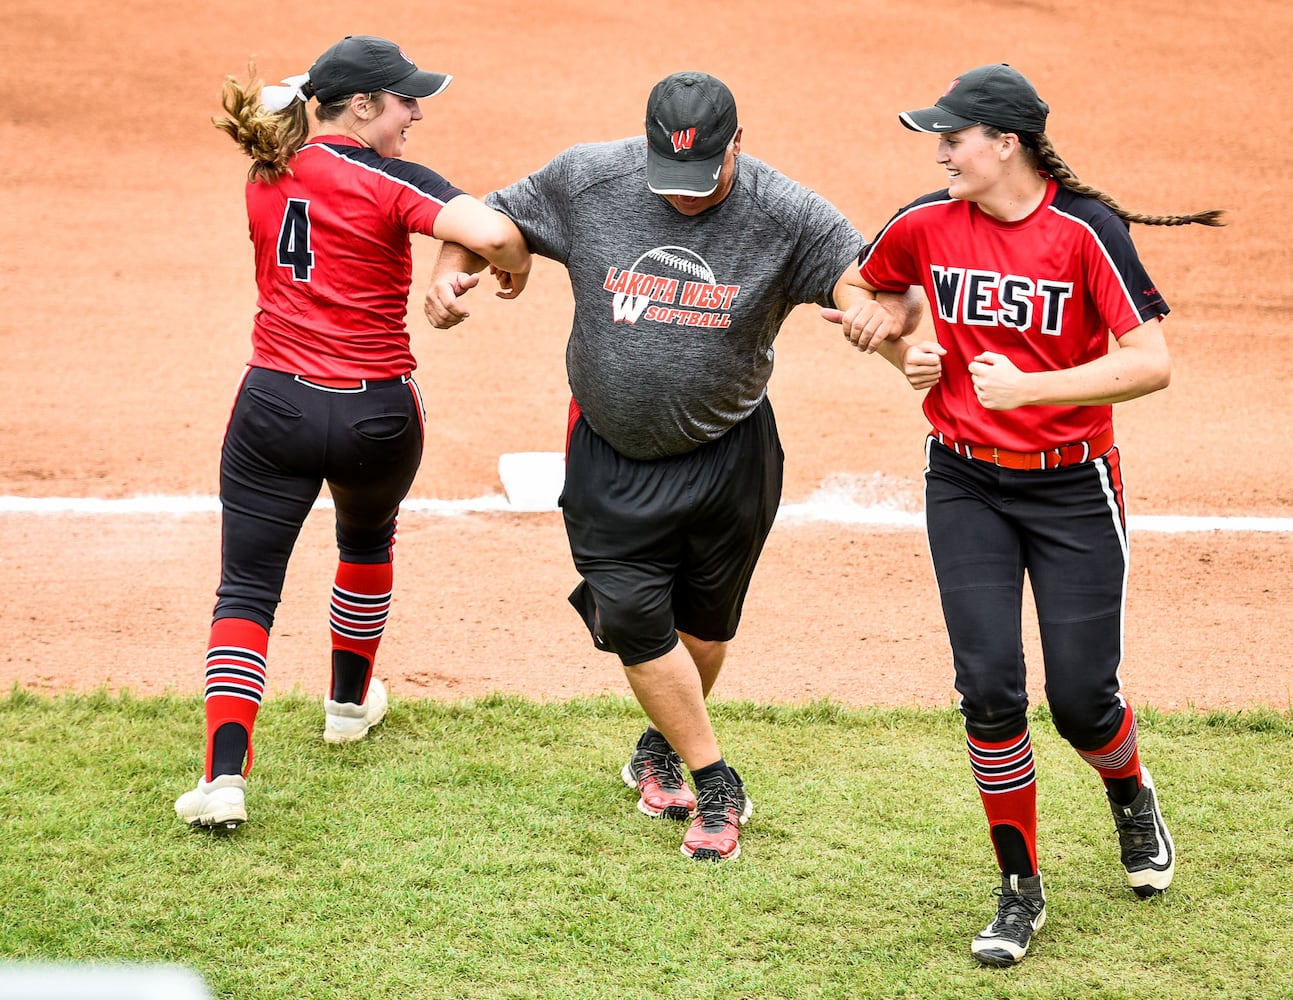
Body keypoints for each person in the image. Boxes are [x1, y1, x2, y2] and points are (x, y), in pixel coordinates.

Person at [426, 71, 916, 861]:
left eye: (703, 178)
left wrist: (885, 324)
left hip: (731, 455)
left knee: (704, 627)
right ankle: (716, 780)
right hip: (609, 451)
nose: (684, 198)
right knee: (629, 615)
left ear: (736, 146)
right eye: (670, 181)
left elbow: (874, 288)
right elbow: (485, 219)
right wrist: (448, 269)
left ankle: (660, 744)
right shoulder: (592, 178)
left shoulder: (787, 214)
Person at [827, 63, 1223, 964]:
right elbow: (863, 286)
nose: (940, 153)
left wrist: (1032, 388)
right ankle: (1017, 887)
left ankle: (1128, 794)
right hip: (963, 482)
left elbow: (1149, 360)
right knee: (990, 691)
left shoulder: (1086, 231)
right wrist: (894, 337)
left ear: (1004, 143)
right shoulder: (926, 220)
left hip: (1073, 488)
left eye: (952, 138)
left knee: (1083, 701)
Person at [175, 35, 531, 830]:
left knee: (246, 588)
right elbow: (500, 234)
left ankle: (223, 778)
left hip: (275, 408)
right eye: (404, 99)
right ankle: (345, 703)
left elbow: (279, 111)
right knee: (366, 542)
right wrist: (503, 270)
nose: (415, 112)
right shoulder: (392, 176)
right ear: (363, 105)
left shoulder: (266, 168)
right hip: (377, 414)